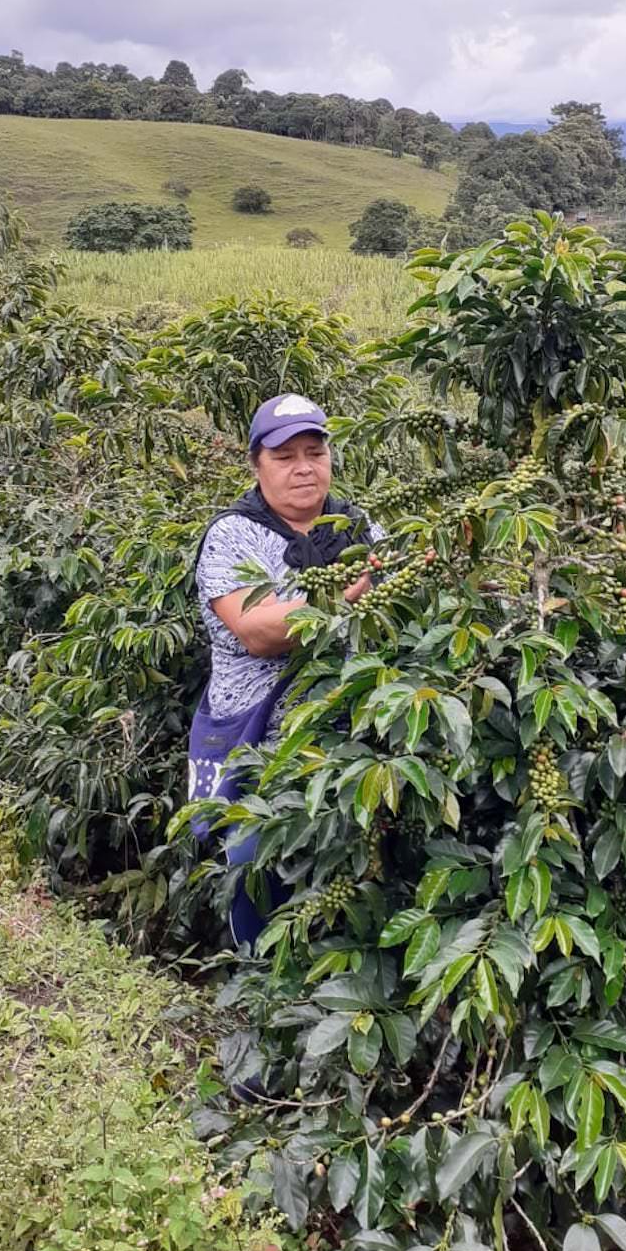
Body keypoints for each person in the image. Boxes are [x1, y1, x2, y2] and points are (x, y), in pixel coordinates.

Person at [189, 392, 383, 944]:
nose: (304, 468)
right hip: (261, 743)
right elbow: (260, 631)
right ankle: (258, 981)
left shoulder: (359, 526)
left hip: (351, 735)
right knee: (253, 857)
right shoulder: (232, 535)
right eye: (284, 456)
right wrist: (352, 591)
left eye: (314, 452)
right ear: (256, 464)